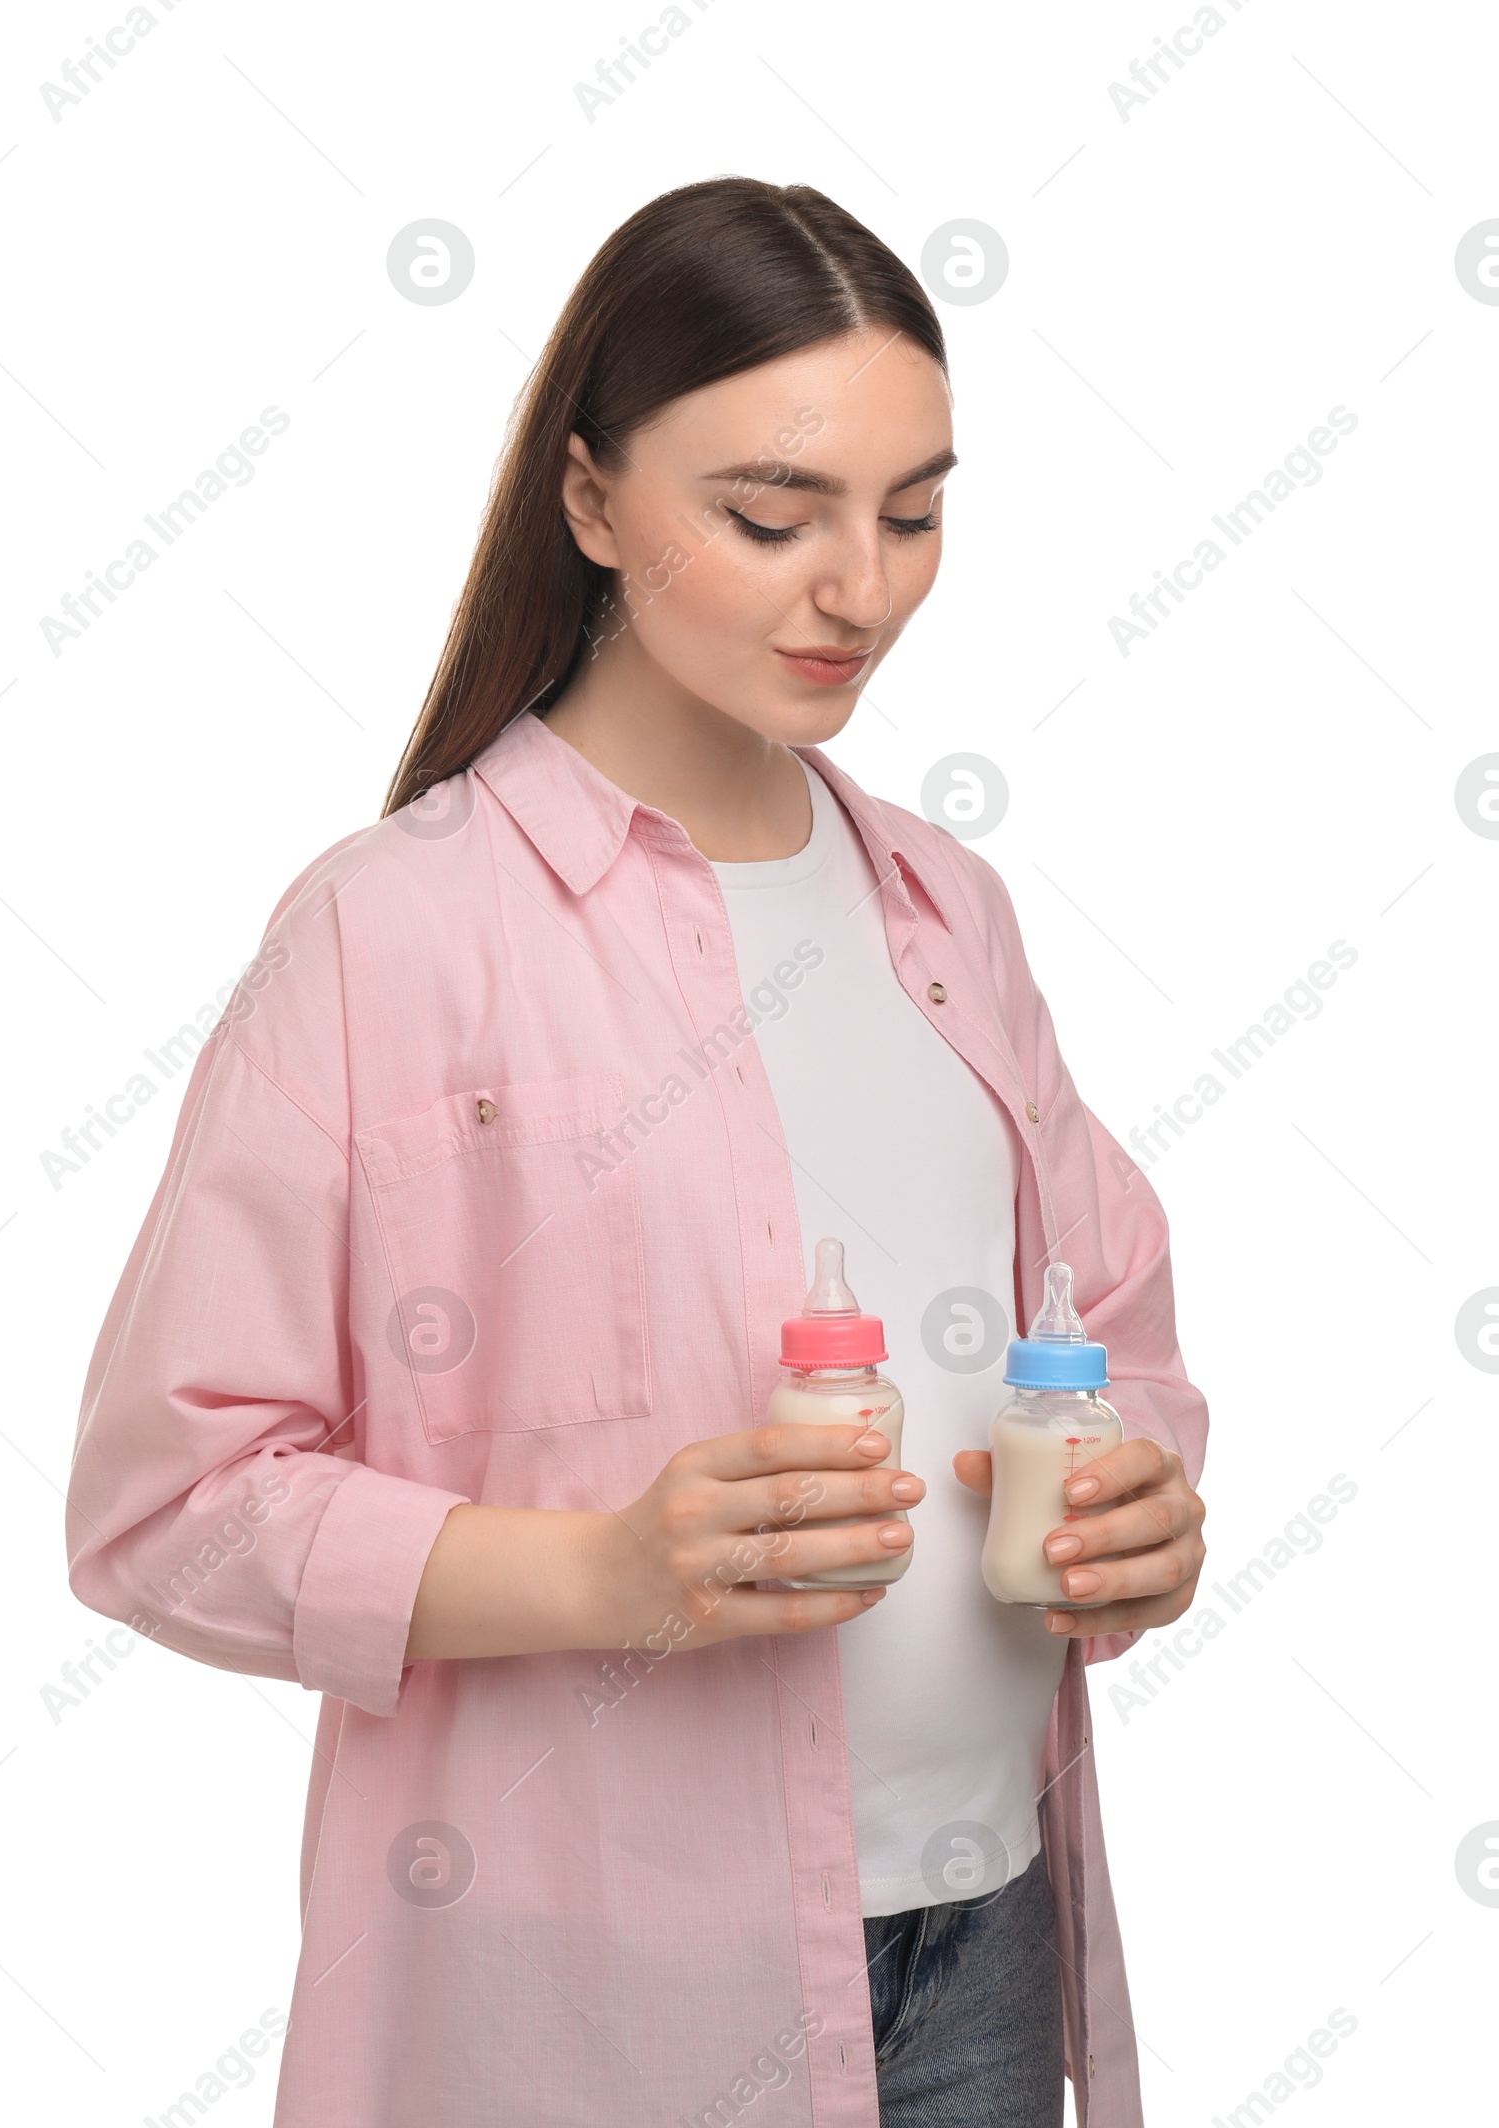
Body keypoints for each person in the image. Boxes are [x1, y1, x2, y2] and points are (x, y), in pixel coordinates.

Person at [67, 177, 1208, 2128]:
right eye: (769, 517)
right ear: (589, 504)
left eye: (911, 510)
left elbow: (1105, 1333)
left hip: (985, 1922)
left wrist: (1142, 1505)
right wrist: (602, 1568)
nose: (856, 586)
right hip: (594, 1995)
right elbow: (169, 1499)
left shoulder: (946, 909)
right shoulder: (389, 932)